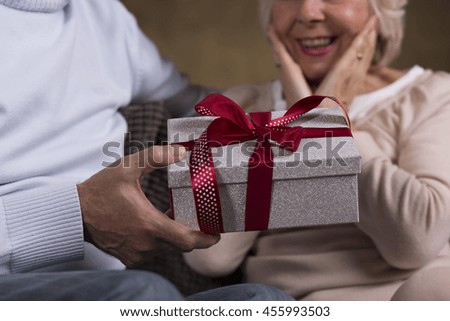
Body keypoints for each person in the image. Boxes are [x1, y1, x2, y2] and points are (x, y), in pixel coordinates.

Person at [0, 0, 293, 301]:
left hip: (108, 286)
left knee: (266, 302)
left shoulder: (100, 13)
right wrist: (76, 214)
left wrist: (303, 110)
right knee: (146, 294)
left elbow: (198, 109)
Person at [184, 0, 450, 300]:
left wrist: (328, 120)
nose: (308, 13)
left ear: (379, 11)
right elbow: (209, 255)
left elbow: (414, 243)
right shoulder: (237, 107)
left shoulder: (433, 94)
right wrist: (295, 119)